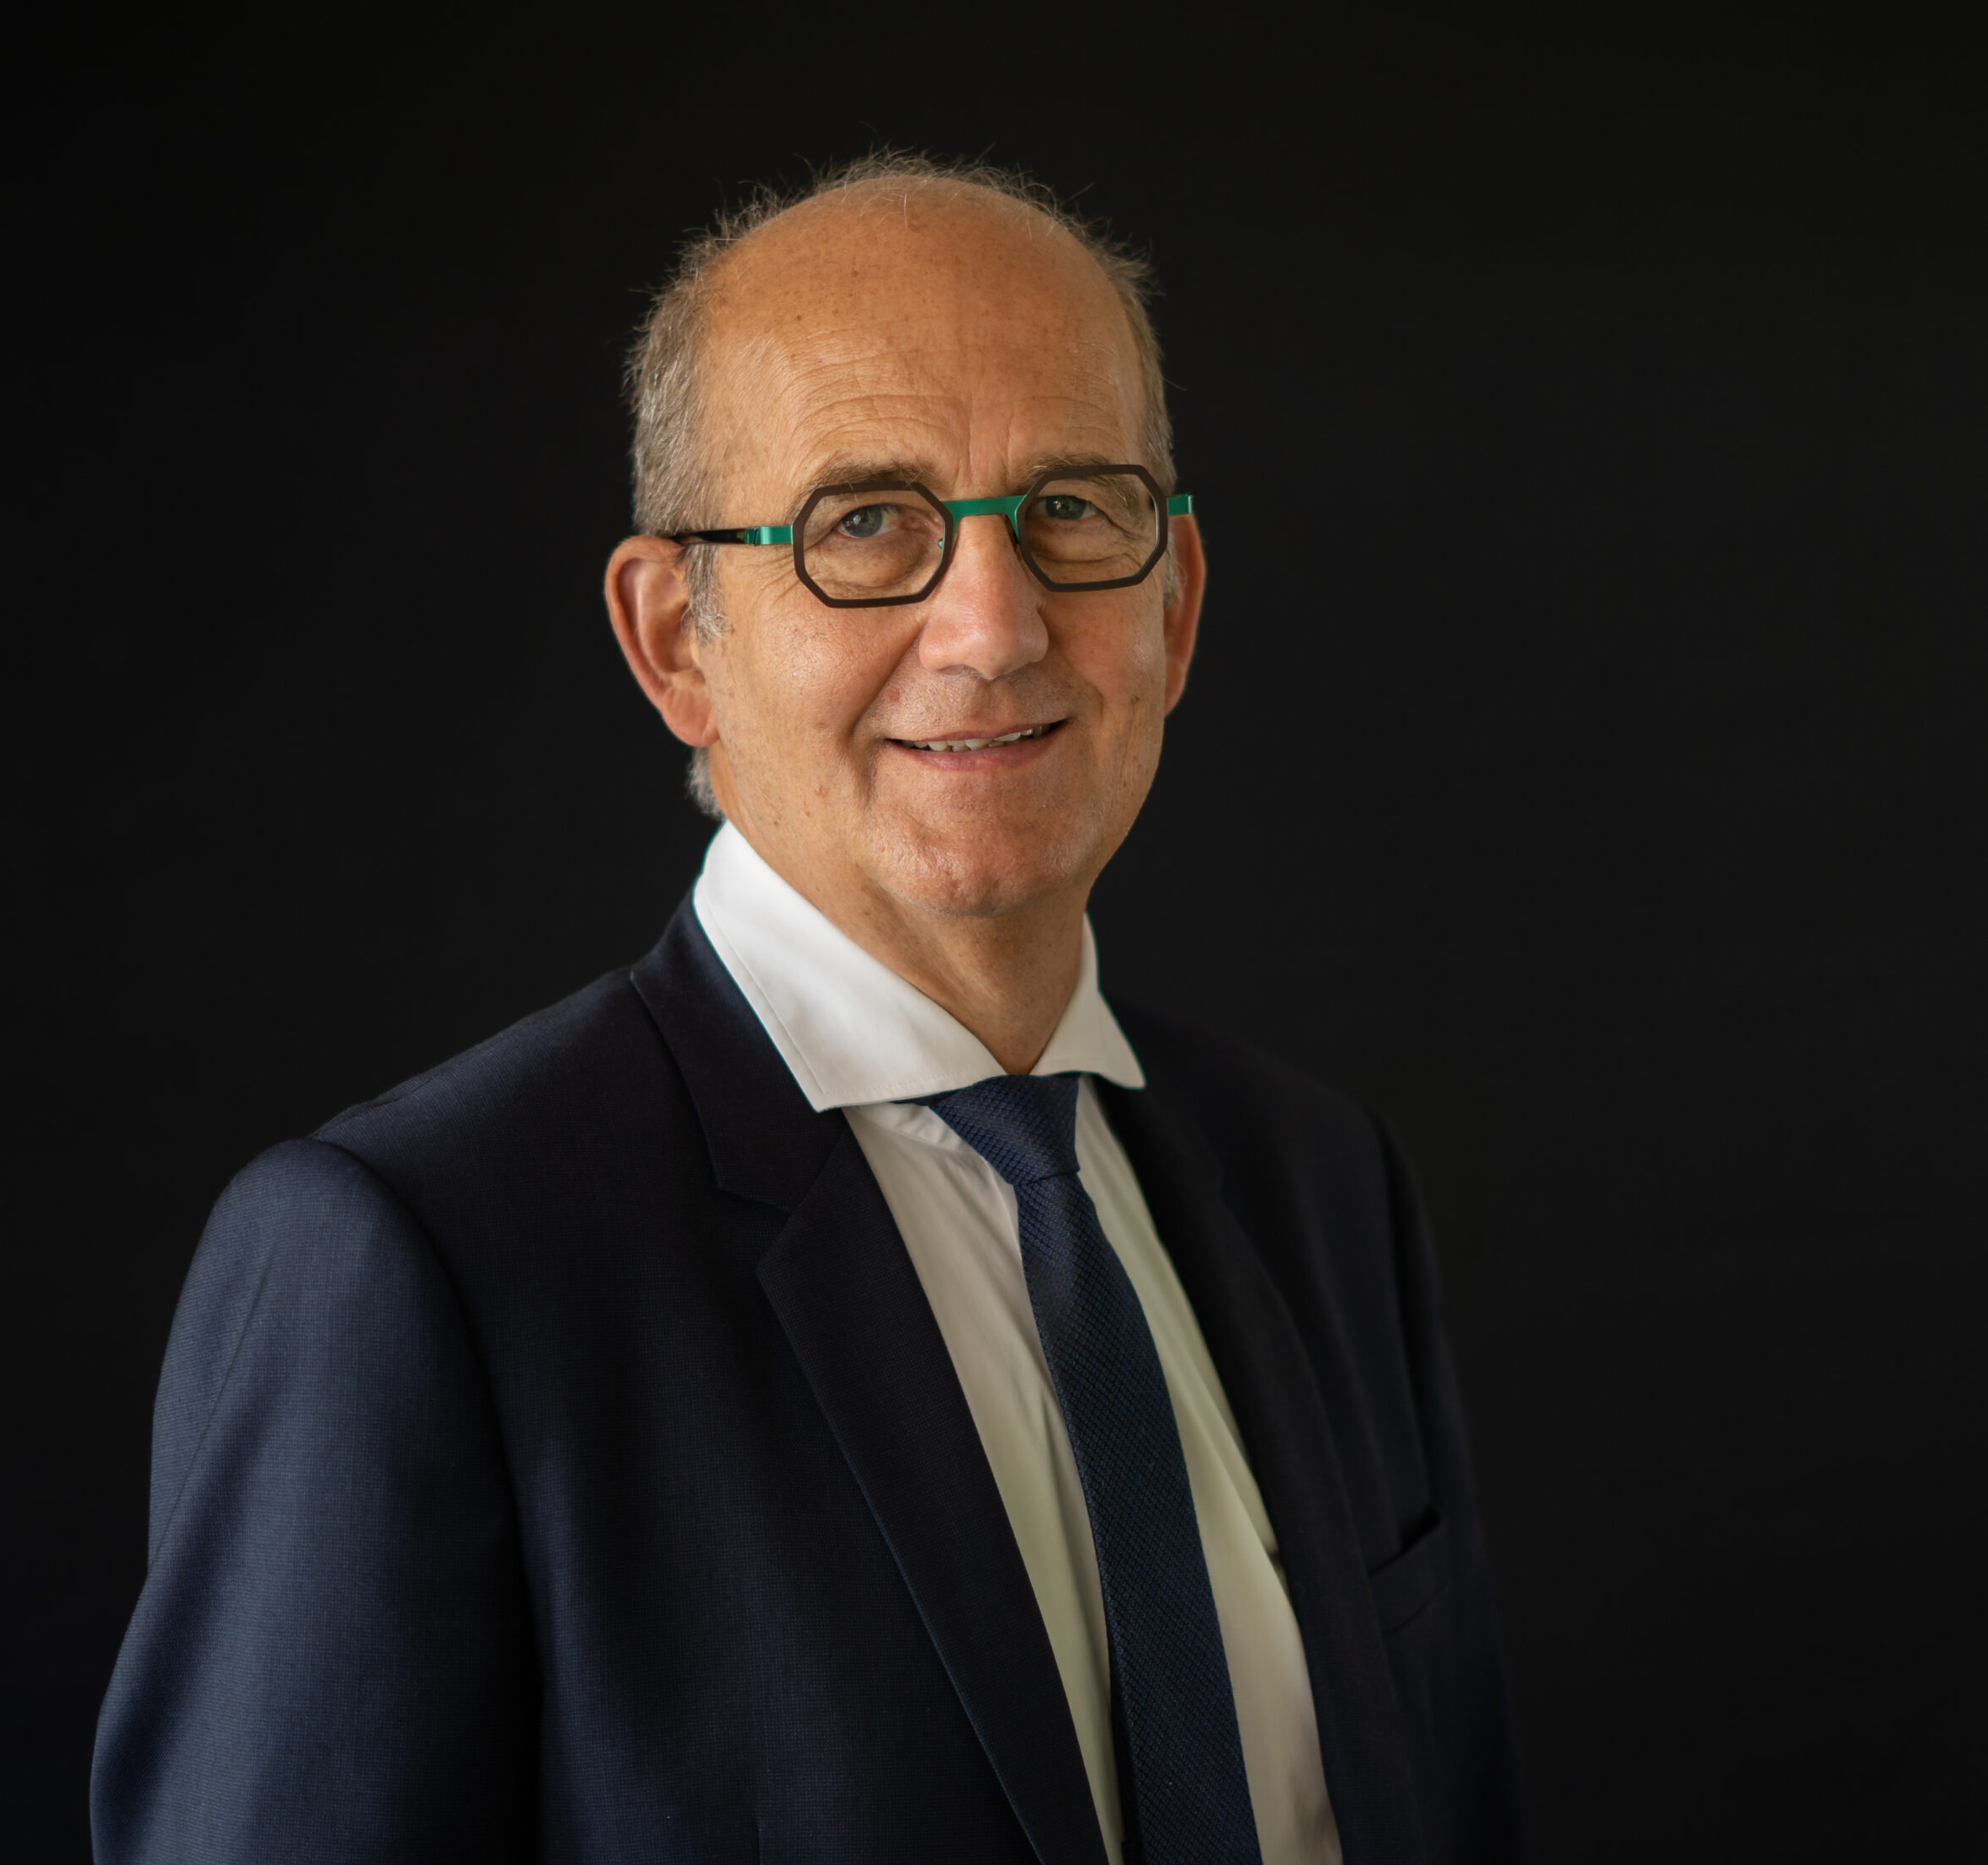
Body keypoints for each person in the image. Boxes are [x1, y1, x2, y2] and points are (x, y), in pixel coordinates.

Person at [92, 153, 1533, 1865]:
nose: (992, 627)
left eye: (1071, 507)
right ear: (674, 642)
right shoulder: (419, 1266)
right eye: (864, 524)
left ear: (1177, 601)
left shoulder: (1317, 1187)